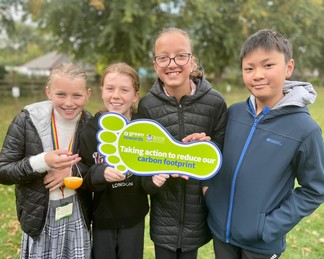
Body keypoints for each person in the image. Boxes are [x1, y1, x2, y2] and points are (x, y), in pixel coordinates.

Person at [204, 29, 324, 259]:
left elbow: (315, 189)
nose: (257, 75)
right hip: (221, 234)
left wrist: (268, 227)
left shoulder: (305, 129)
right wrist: (209, 193)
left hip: (260, 245)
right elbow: (217, 155)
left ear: (289, 67)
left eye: (268, 66)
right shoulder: (234, 113)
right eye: (249, 68)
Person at [137, 27, 227, 259]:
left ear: (192, 60)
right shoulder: (147, 106)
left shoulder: (215, 103)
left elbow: (222, 156)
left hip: (197, 215)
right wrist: (152, 180)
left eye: (181, 55)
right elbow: (140, 161)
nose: (172, 63)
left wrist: (208, 147)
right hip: (163, 217)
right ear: (155, 64)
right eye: (163, 57)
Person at [0, 63, 92, 258]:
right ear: (48, 92)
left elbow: (95, 168)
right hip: (39, 217)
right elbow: (4, 171)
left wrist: (72, 172)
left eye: (77, 95)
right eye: (61, 94)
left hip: (77, 213)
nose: (69, 102)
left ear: (88, 94)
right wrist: (42, 162)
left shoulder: (90, 124)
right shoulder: (26, 121)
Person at [78, 62, 149, 259]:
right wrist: (101, 173)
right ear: (102, 91)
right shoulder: (90, 132)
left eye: (124, 90)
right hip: (102, 219)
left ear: (135, 95)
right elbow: (84, 177)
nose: (116, 95)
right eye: (110, 88)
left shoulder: (143, 129)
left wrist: (155, 180)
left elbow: (149, 172)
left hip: (134, 217)